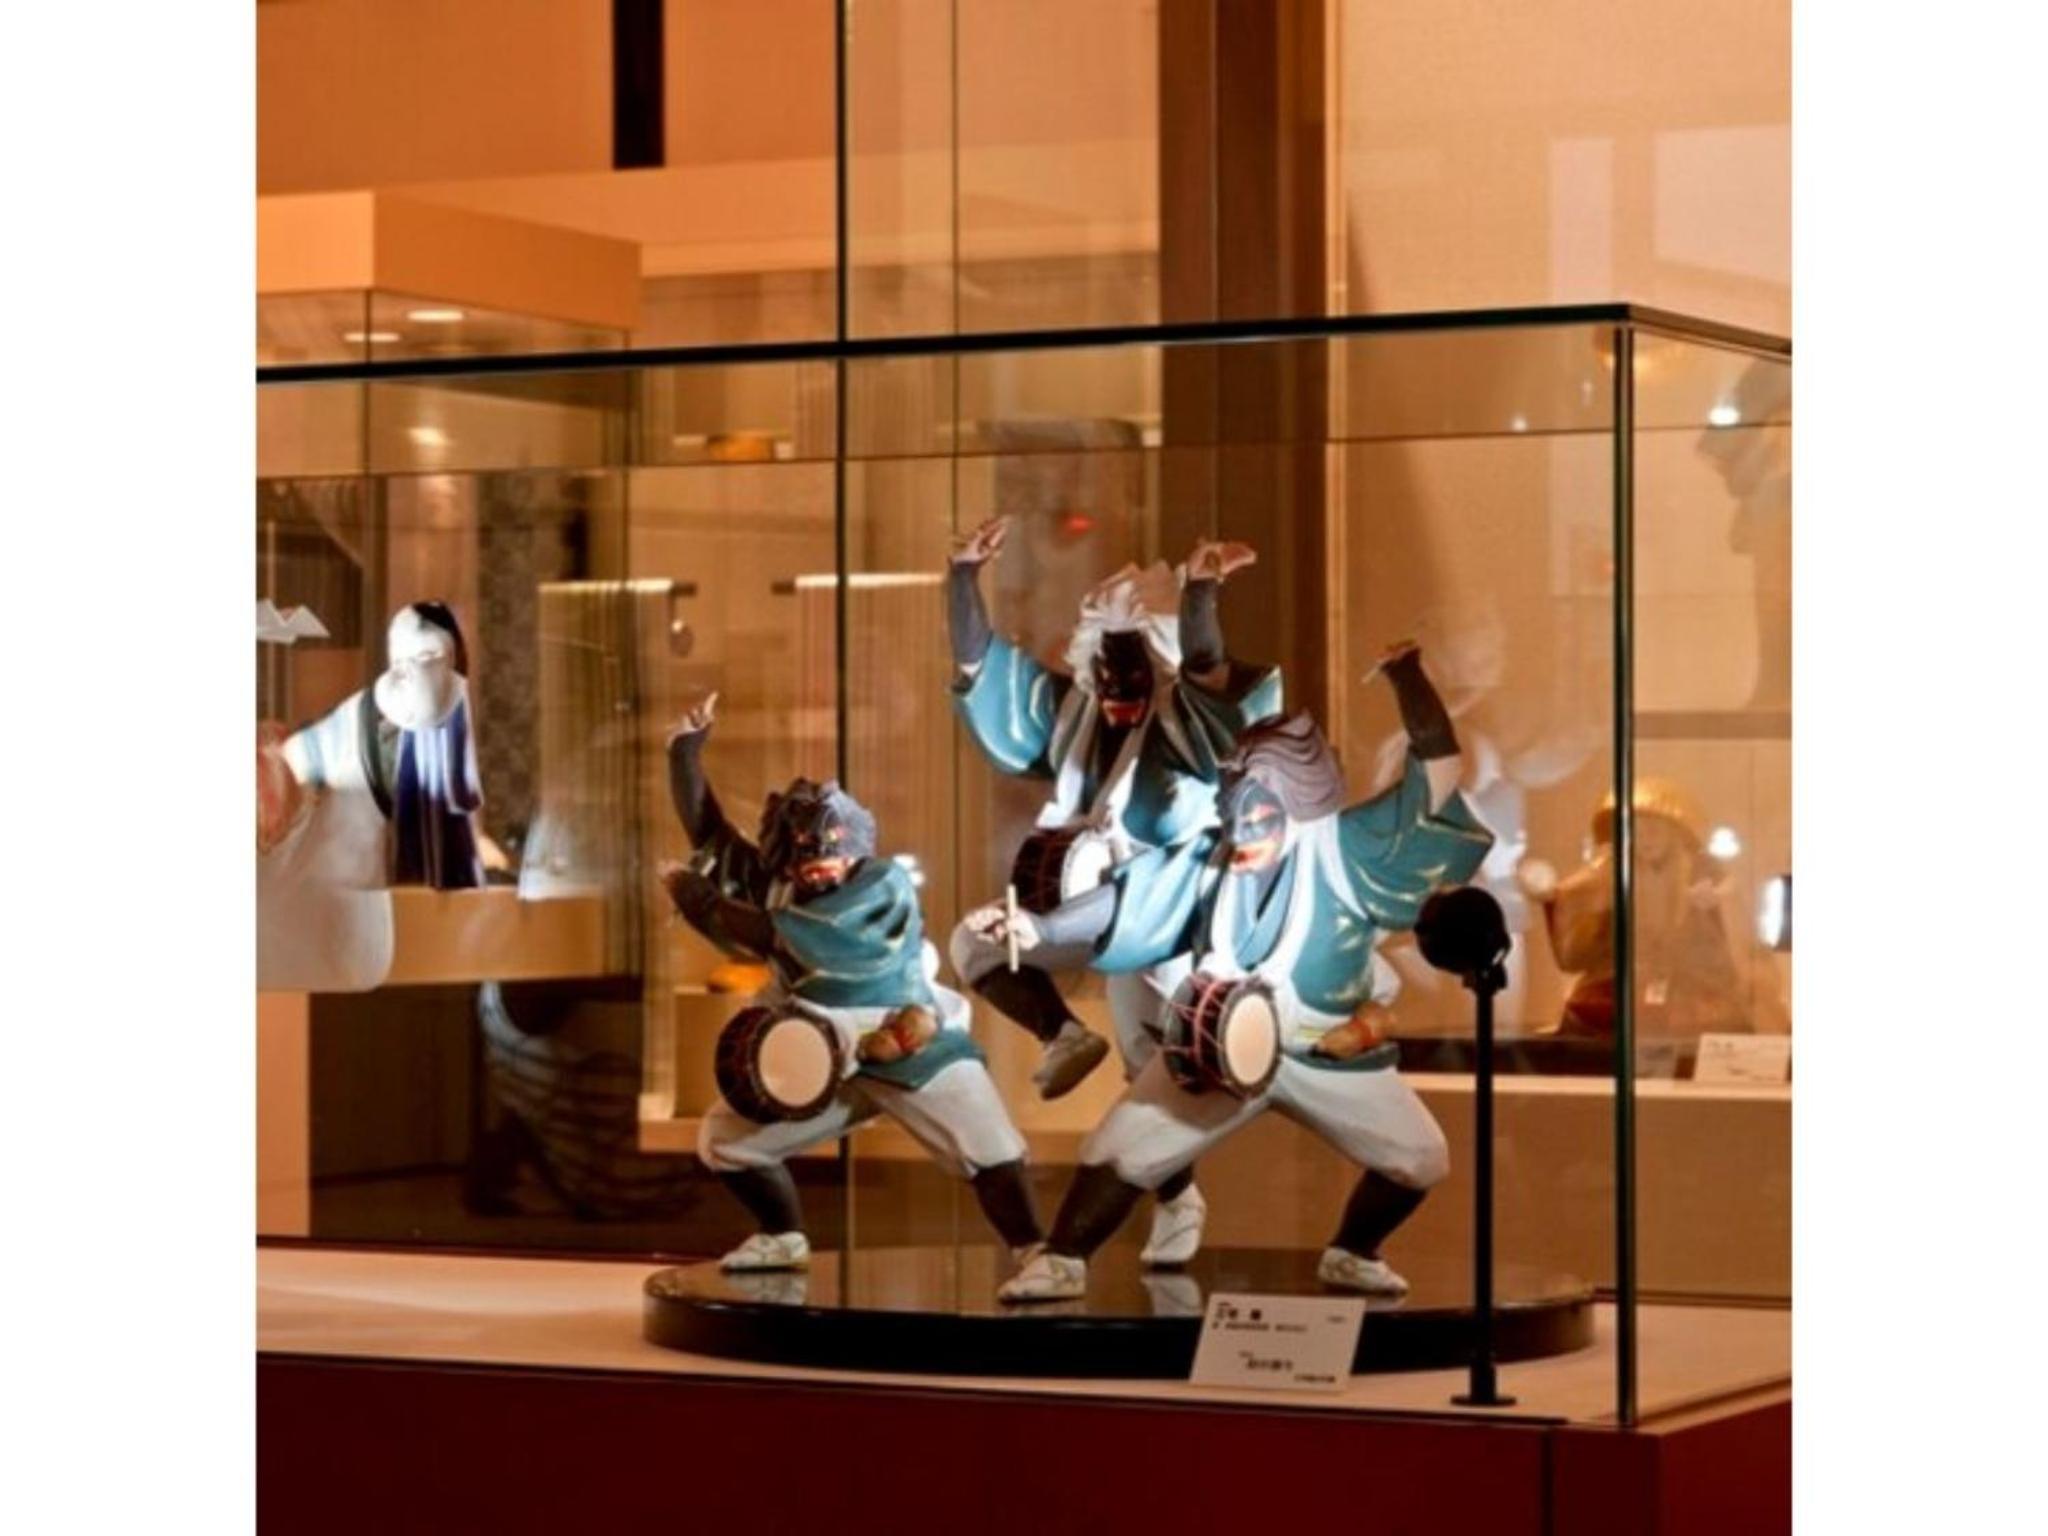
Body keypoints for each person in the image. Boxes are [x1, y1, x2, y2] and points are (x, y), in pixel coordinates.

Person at [983, 648, 1493, 1303]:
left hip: (1324, 1050)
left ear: (1300, 804)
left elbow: (1438, 774)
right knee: (1116, 1151)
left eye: (1261, 820)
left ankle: (1353, 1251)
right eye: (1235, 817)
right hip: (1220, 1047)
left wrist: (1407, 676)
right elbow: (1131, 899)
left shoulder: (1347, 850)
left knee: (1419, 1159)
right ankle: (1063, 1260)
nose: (1244, 834)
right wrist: (1044, 929)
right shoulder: (1213, 857)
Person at [945, 514, 1282, 1265]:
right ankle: (1062, 1033)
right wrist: (962, 579)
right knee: (973, 945)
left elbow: (1209, 671)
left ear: (1159, 668)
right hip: (1081, 904)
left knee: (1149, 1068)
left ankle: (1176, 1197)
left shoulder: (1187, 729)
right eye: (1106, 678)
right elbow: (982, 670)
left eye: (1132, 681)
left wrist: (1201, 595)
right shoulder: (1076, 717)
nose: (1117, 695)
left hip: (1166, 911)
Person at [661, 693, 1043, 1275]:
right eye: (807, 855)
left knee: (990, 1145)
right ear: (785, 855)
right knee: (727, 1141)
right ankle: (782, 1236)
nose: (822, 863)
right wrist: (684, 754)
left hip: (906, 1038)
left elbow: (782, 935)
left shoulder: (882, 884)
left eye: (832, 852)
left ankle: (1038, 1252)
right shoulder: (779, 883)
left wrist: (705, 904)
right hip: (821, 1055)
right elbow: (712, 837)